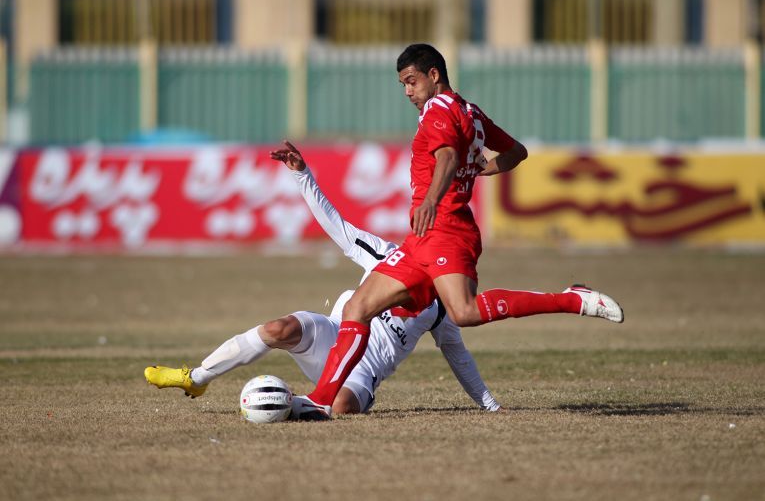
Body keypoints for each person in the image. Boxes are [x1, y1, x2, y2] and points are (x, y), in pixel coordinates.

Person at [291, 43, 624, 420]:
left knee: (463, 312)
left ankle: (570, 300)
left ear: (434, 75)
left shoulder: (438, 108)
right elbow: (516, 153)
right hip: (422, 239)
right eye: (402, 84)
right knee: (358, 307)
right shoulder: (470, 112)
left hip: (446, 229)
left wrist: (432, 199)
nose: (407, 91)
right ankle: (321, 399)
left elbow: (447, 156)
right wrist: (480, 169)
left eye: (411, 81)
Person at [144, 142, 501, 417]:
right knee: (278, 328)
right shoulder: (386, 254)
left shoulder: (444, 303)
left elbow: (459, 357)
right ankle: (196, 378)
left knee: (342, 407)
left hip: (362, 372)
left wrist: (490, 405)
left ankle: (280, 406)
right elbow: (338, 228)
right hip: (331, 336)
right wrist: (302, 174)